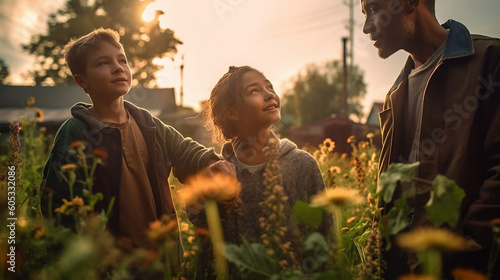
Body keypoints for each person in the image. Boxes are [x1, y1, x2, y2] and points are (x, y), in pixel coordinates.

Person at [40, 28, 235, 271]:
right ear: (82, 81)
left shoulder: (148, 124)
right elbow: (56, 203)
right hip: (112, 268)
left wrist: (211, 163)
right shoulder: (77, 132)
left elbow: (186, 151)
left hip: (161, 263)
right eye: (103, 62)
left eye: (122, 60)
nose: (118, 67)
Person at [361, 0, 500, 278]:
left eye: (375, 8)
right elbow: (391, 192)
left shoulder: (490, 60)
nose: (366, 27)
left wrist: (468, 252)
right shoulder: (394, 95)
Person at [189, 66, 332, 279]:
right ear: (232, 112)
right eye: (254, 91)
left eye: (269, 86)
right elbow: (205, 247)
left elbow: (327, 236)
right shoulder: (218, 173)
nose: (269, 94)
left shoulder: (302, 165)